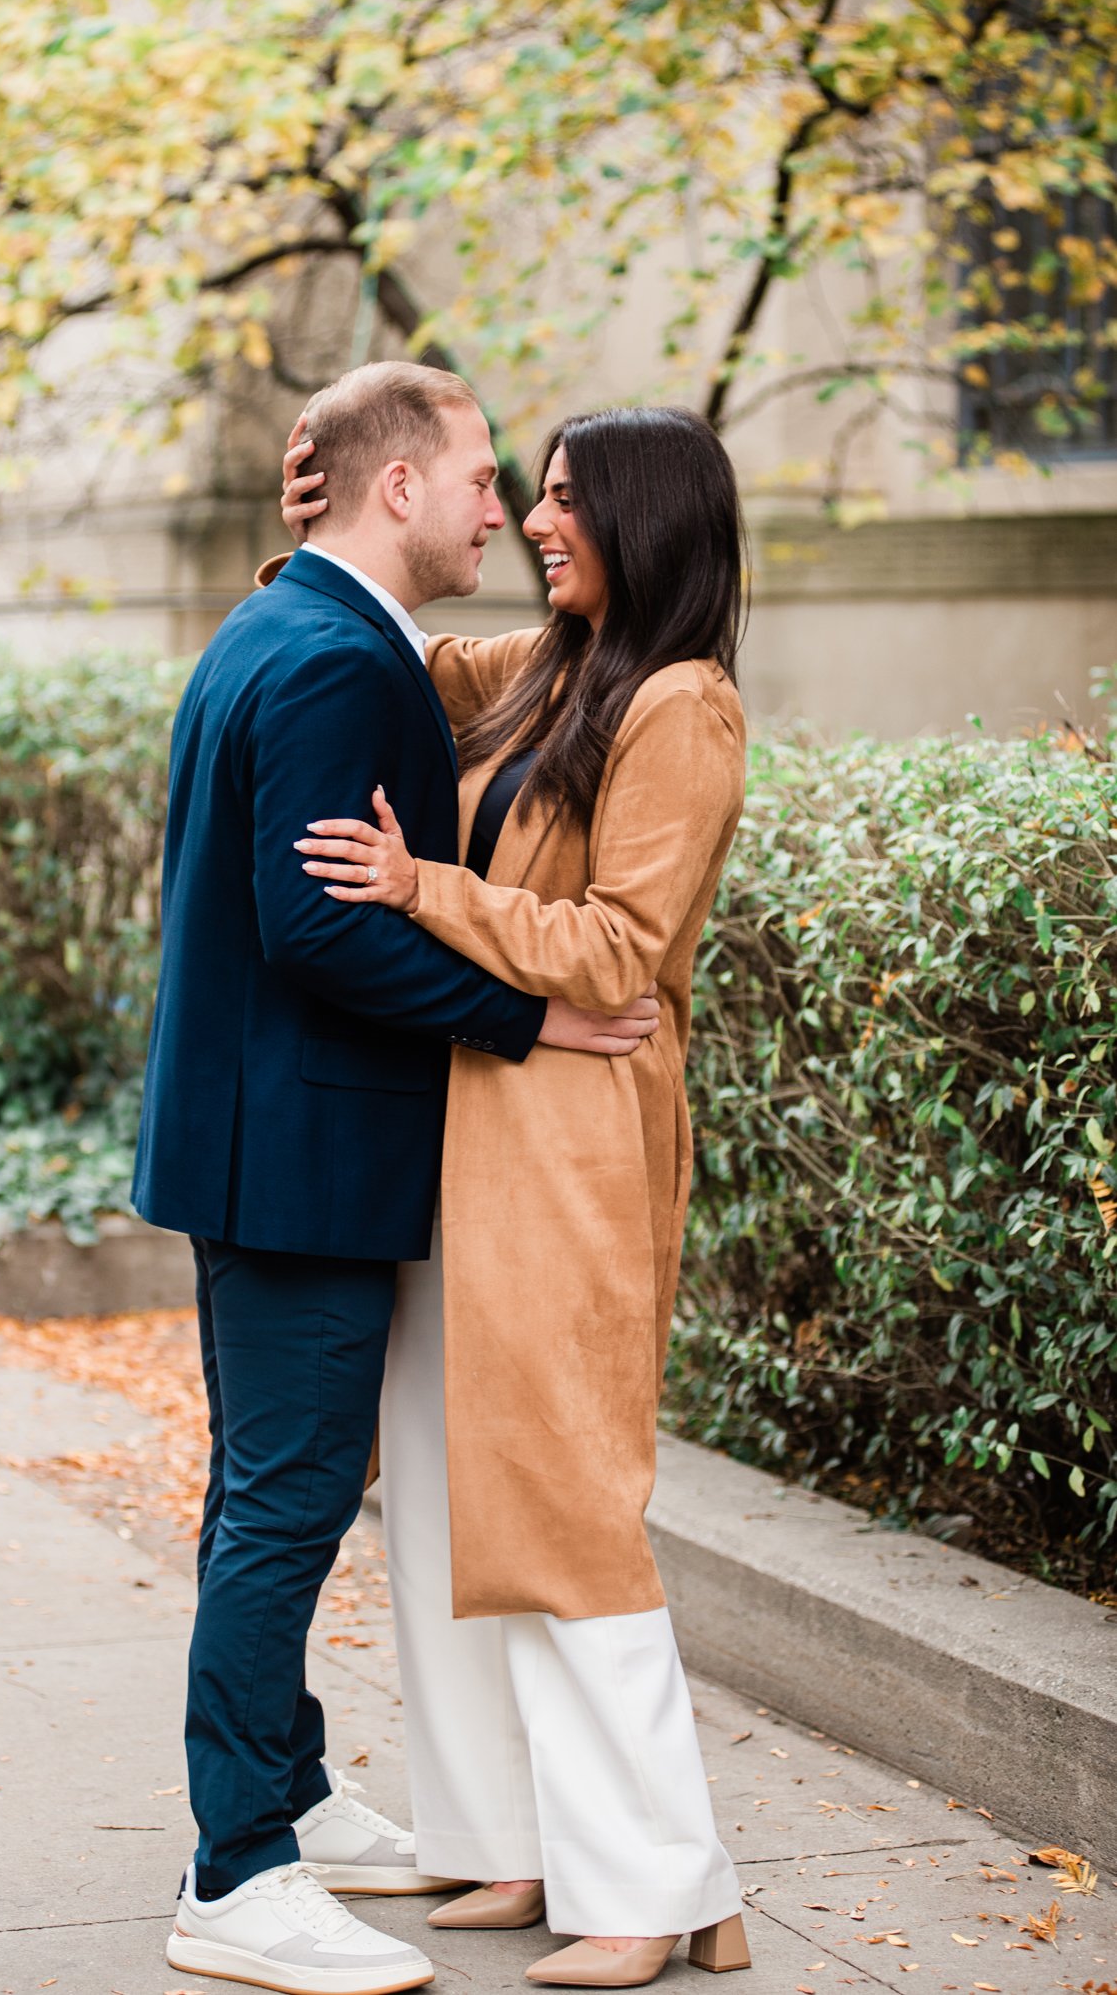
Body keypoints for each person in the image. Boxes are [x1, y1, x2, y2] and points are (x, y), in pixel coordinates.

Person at [131, 360, 662, 1995]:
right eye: (484, 476)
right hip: (300, 1157)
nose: (500, 507)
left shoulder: (287, 624)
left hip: (253, 1144)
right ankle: (236, 1873)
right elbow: (317, 927)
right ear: (397, 490)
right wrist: (529, 1017)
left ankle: (286, 1785)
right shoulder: (339, 664)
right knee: (283, 1507)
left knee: (261, 1492)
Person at [266, 400, 753, 1987]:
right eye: (524, 495)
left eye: (561, 501)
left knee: (561, 1505)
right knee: (449, 1497)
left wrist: (425, 888)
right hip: (472, 1130)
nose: (535, 523)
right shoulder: (544, 670)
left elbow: (620, 949)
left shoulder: (681, 704)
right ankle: (509, 1843)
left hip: (574, 1143)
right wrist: (323, 515)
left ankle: (665, 1887)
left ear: (644, 517)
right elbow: (373, 641)